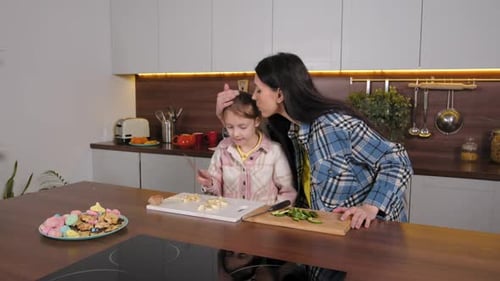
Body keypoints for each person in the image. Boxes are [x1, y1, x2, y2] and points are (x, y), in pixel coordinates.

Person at [216, 52, 413, 230]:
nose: (253, 96)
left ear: (279, 94)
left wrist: (370, 208)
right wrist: (222, 116)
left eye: (258, 90)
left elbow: (396, 160)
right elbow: (248, 146)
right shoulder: (292, 130)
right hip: (333, 233)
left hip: (371, 233)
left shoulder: (333, 125)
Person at [197, 91, 297, 205]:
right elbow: (215, 194)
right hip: (230, 218)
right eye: (230, 127)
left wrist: (272, 215)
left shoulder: (274, 151)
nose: (236, 134)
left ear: (257, 121)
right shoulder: (222, 149)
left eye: (242, 127)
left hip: (263, 220)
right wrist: (209, 183)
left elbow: (288, 193)